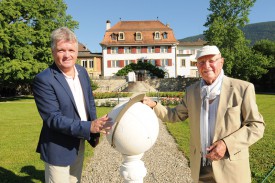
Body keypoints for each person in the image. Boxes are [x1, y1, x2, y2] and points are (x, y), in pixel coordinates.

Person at [143, 45, 265, 183]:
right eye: (201, 62)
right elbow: (175, 115)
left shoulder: (242, 88)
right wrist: (154, 105)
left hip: (230, 169)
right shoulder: (191, 91)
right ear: (197, 65)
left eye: (211, 60)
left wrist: (226, 144)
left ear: (221, 62)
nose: (206, 66)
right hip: (201, 169)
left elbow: (256, 126)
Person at [32, 27, 112, 183]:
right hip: (58, 146)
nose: (67, 55)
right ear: (53, 52)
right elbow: (53, 119)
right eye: (61, 50)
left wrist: (94, 128)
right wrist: (89, 127)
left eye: (71, 50)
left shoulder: (82, 72)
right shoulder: (44, 79)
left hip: (79, 141)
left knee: (75, 180)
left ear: (77, 51)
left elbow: (89, 102)